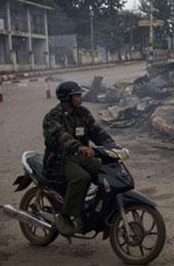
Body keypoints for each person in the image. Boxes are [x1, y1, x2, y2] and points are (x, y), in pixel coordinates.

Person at [42, 81, 115, 235]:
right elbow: (60, 136)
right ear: (66, 98)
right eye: (76, 95)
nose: (80, 98)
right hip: (60, 160)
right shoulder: (52, 117)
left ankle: (94, 209)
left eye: (80, 95)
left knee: (103, 171)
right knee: (82, 178)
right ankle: (66, 216)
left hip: (80, 156)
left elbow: (96, 131)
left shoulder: (82, 113)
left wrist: (112, 145)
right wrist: (78, 146)